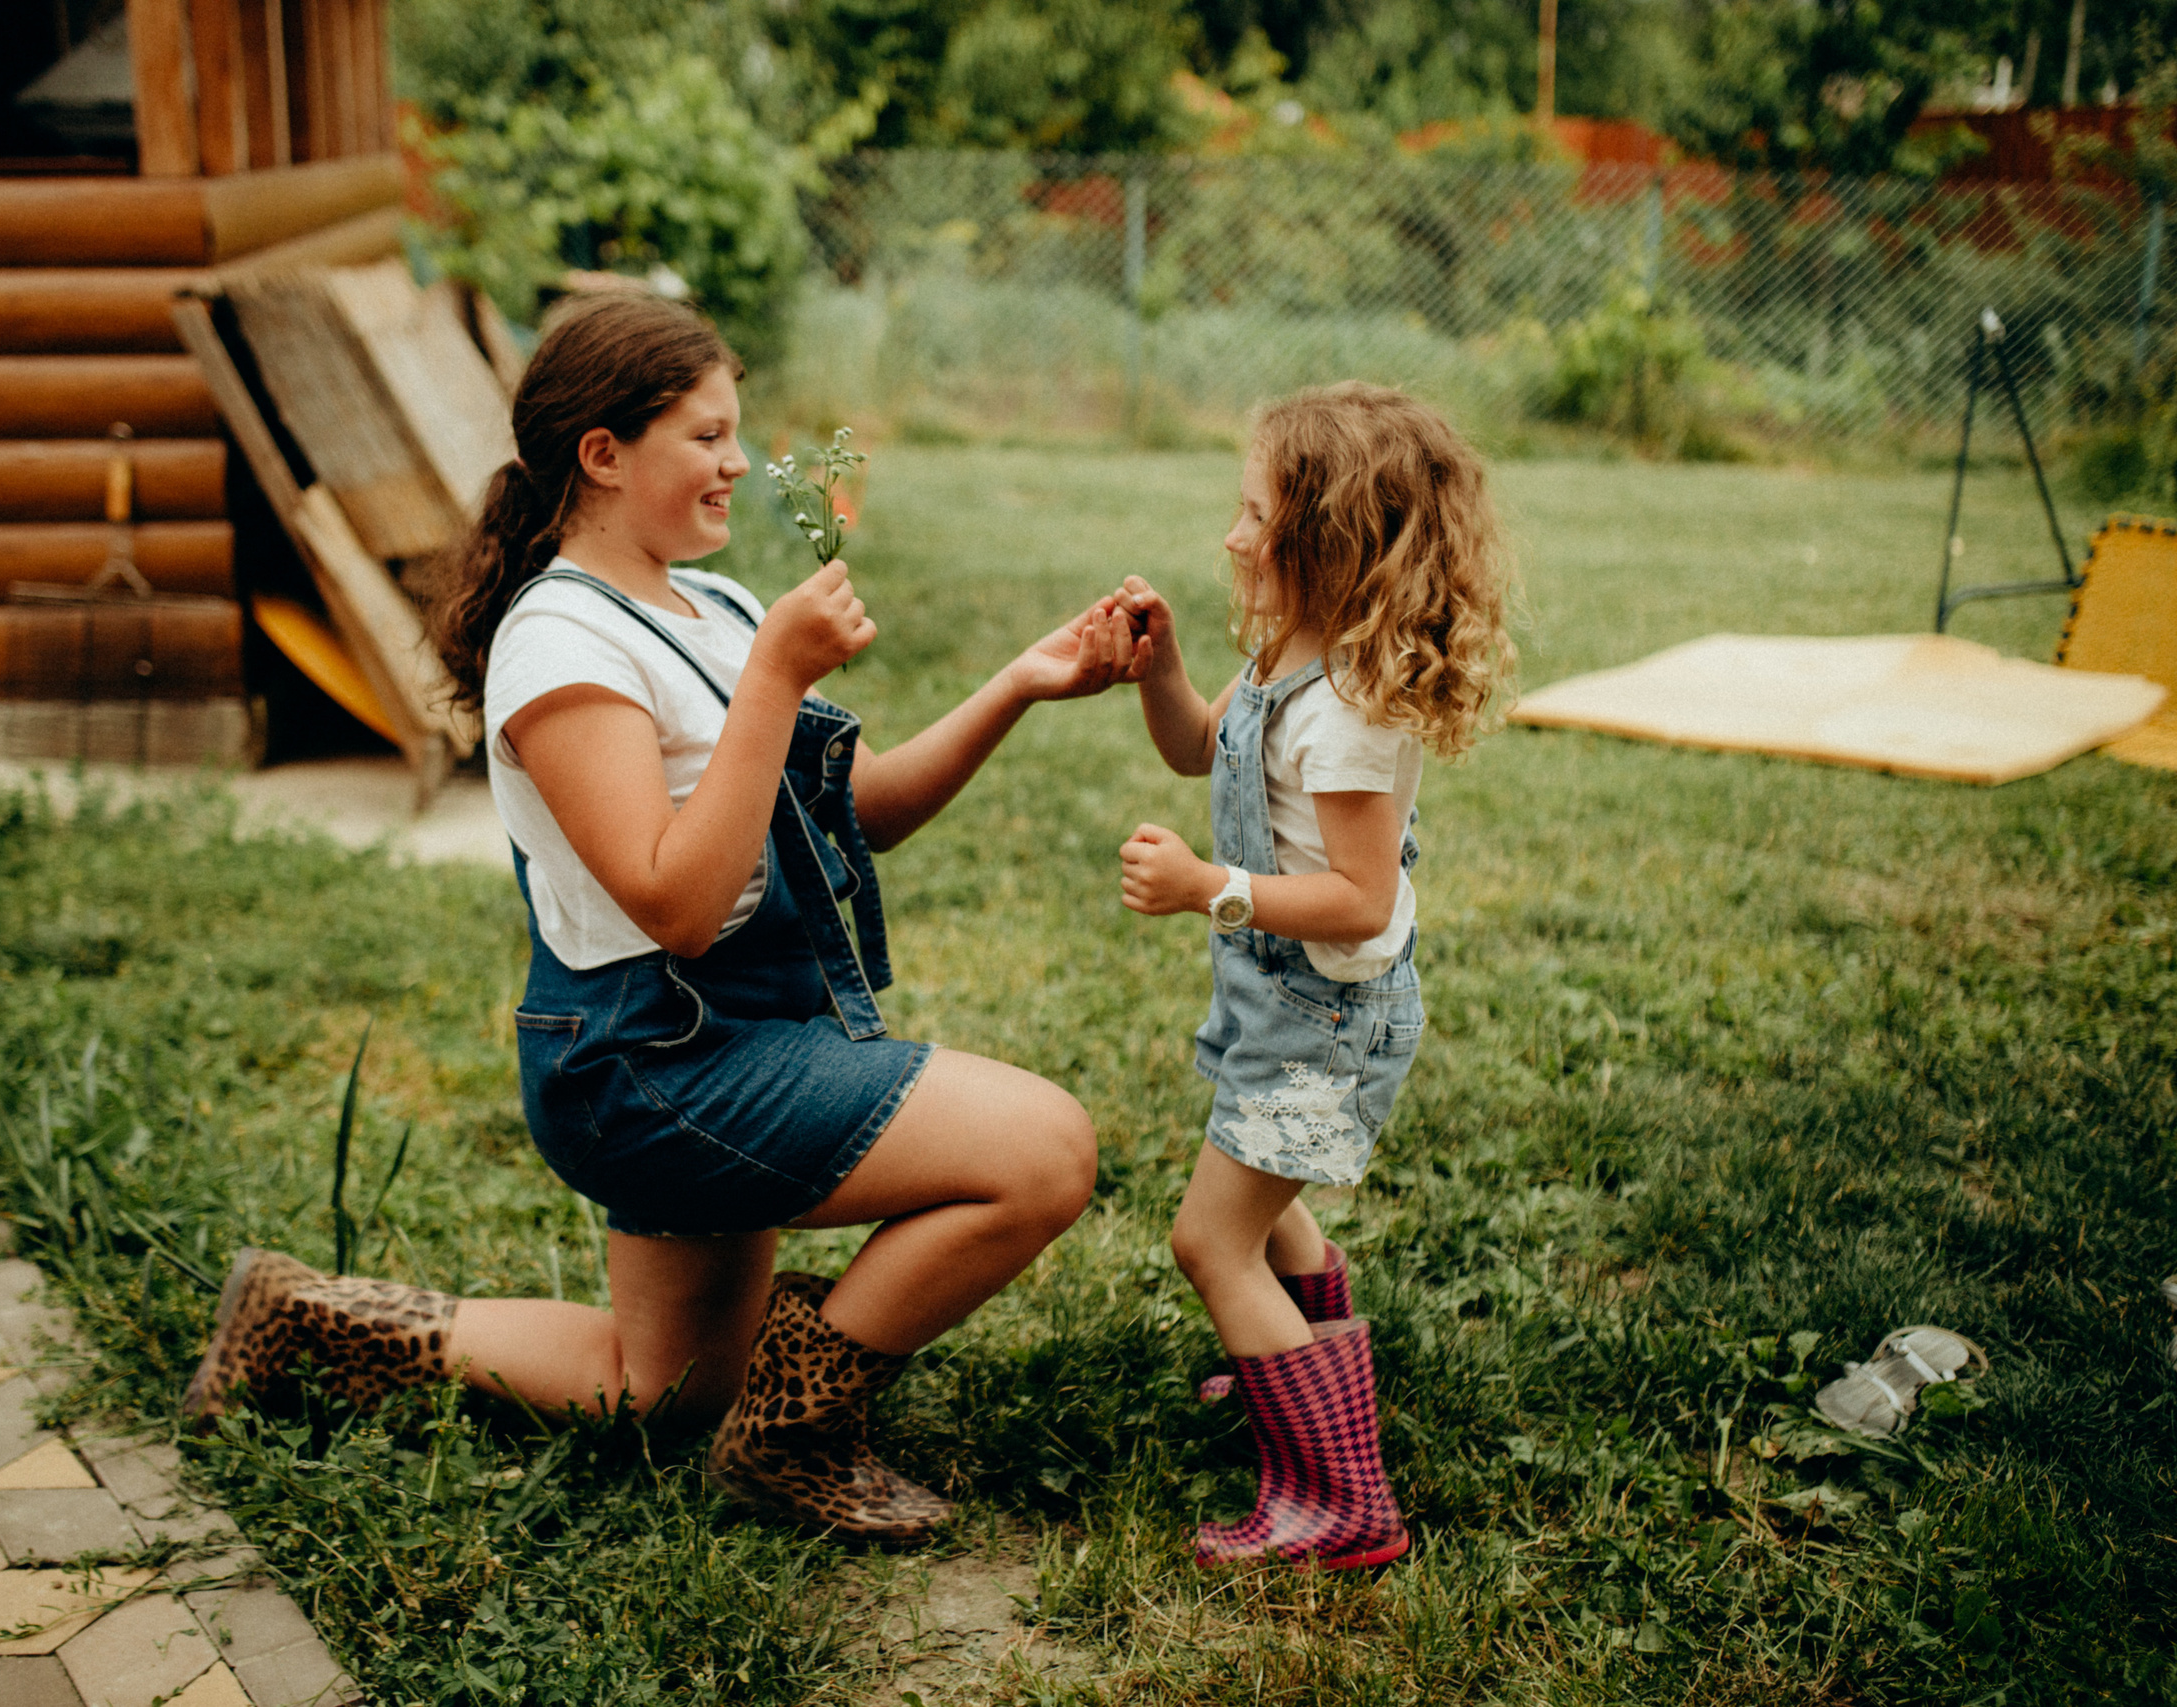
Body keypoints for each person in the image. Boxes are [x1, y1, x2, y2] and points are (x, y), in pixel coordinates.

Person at [183, 293, 1140, 1542]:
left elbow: (853, 817)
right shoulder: (560, 644)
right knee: (1045, 1150)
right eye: (707, 436)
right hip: (650, 1059)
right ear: (603, 454)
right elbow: (676, 904)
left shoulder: (719, 607)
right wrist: (781, 681)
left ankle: (311, 1319)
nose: (738, 462)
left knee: (671, 1388)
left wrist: (1020, 683)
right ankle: (795, 1440)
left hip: (738, 1033)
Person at [1111, 381, 1513, 1568]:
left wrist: (1207, 887)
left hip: (1325, 1017)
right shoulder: (1288, 651)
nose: (1231, 538)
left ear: (1329, 544)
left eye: (1253, 517)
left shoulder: (1344, 714)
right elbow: (1198, 746)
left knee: (1212, 1241)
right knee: (1265, 1213)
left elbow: (1359, 897)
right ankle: (1290, 1386)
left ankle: (1344, 1502)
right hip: (1281, 1002)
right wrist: (1160, 665)